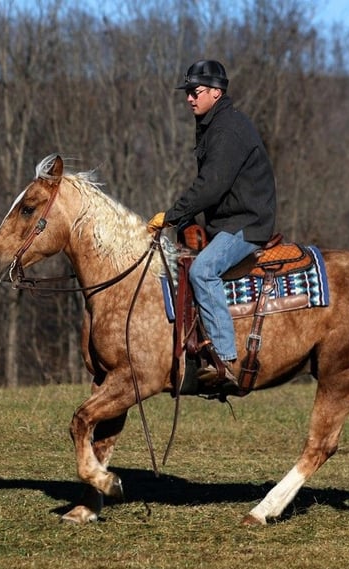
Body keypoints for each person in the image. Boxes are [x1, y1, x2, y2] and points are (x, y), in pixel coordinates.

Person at [147, 59, 277, 386]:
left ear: (216, 93)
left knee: (204, 270)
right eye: (188, 92)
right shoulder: (212, 124)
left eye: (196, 91)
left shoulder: (228, 129)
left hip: (247, 222)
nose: (190, 98)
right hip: (229, 220)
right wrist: (185, 220)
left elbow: (211, 185)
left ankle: (225, 360)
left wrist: (171, 215)